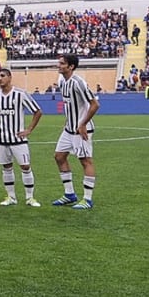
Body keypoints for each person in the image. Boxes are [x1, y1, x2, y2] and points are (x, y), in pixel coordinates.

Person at [0, 68, 43, 206]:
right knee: (6, 167)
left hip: (18, 139)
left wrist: (28, 129)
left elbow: (37, 111)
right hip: (1, 139)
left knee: (25, 166)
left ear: (10, 77)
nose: (0, 78)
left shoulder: (20, 94)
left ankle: (30, 197)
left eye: (3, 76)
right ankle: (11, 197)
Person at [53, 54, 100, 209]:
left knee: (85, 161)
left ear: (71, 66)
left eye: (62, 63)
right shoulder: (61, 81)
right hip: (69, 128)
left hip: (81, 129)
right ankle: (69, 194)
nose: (58, 65)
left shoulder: (78, 83)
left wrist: (83, 124)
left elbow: (94, 104)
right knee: (59, 157)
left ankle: (87, 199)